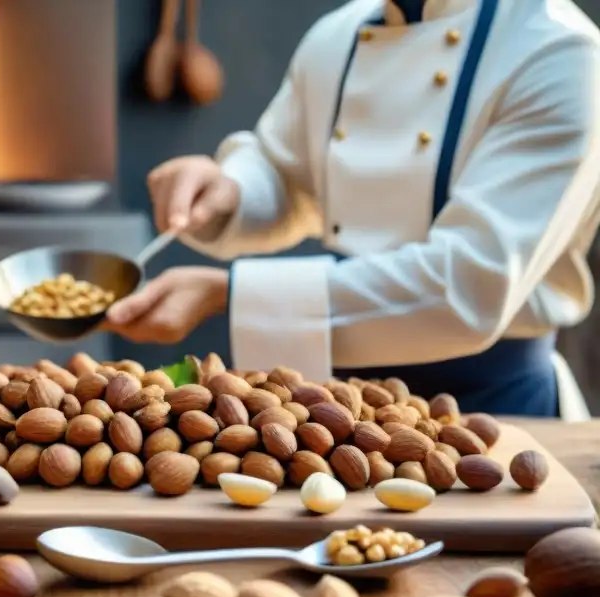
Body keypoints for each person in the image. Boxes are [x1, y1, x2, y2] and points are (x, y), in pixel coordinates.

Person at [104, 0, 600, 419]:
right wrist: (229, 189)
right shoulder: (339, 34)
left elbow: (466, 285)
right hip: (339, 413)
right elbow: (285, 173)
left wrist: (229, 295)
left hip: (494, 411)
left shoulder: (557, 52)